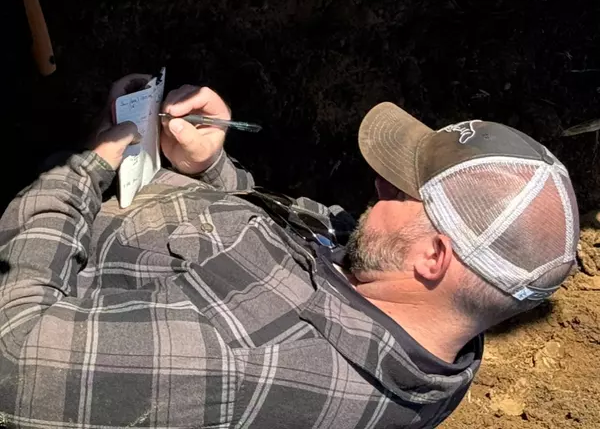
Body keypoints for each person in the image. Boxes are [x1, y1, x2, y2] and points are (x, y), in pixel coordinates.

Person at [0, 75, 580, 429]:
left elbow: (15, 353)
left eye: (401, 192)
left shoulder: (242, 362)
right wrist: (209, 168)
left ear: (433, 257)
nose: (376, 187)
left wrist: (87, 169)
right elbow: (266, 234)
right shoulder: (428, 315)